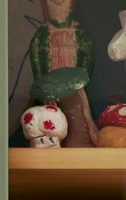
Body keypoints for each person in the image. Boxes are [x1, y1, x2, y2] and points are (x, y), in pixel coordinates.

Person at [27, 0, 98, 146]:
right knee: (50, 115)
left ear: (71, 5)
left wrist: (79, 80)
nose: (58, 5)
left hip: (74, 86)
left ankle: (78, 142)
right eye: (53, 2)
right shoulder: (42, 34)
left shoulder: (79, 33)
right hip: (50, 86)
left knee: (77, 116)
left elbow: (87, 58)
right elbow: (36, 59)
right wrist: (42, 84)